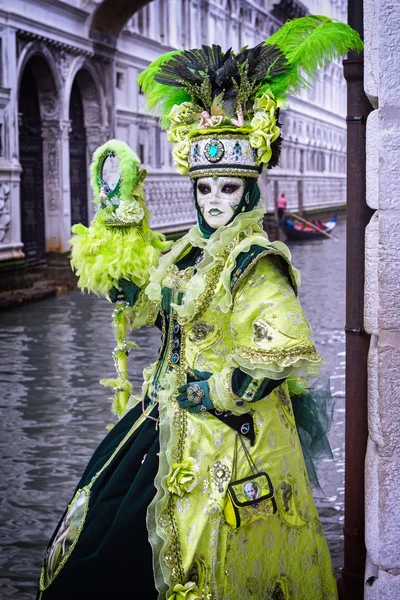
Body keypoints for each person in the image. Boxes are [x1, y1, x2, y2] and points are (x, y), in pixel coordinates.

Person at [37, 16, 363, 600]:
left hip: (228, 439)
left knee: (204, 563)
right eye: (206, 189)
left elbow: (280, 351)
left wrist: (211, 393)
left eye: (229, 188)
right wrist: (130, 291)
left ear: (250, 190)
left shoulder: (254, 262)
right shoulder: (187, 251)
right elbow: (165, 312)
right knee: (101, 541)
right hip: (160, 422)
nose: (215, 202)